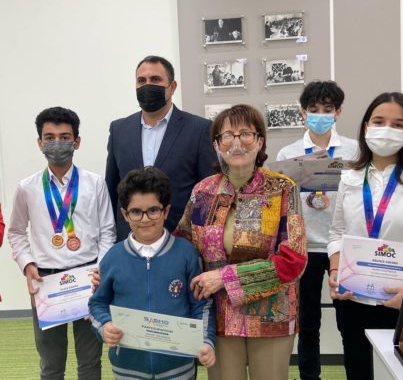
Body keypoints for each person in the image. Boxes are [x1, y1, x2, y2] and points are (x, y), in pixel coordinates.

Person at [175, 104, 308, 380]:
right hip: (218, 315)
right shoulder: (204, 191)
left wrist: (225, 277)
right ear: (216, 145)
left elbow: (293, 261)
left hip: (272, 315)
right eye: (227, 136)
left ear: (260, 142)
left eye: (246, 134)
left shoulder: (282, 188)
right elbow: (182, 245)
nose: (237, 143)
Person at [328, 92, 403, 380]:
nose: (386, 129)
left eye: (398, 124)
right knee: (359, 372)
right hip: (354, 301)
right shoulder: (350, 178)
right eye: (379, 121)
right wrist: (335, 271)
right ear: (366, 127)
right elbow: (337, 233)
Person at [8, 107, 116, 380]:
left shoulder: (95, 184)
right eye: (50, 137)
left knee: (90, 361)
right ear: (40, 143)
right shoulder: (26, 188)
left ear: (76, 142)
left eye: (65, 137)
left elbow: (108, 232)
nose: (57, 143)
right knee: (51, 363)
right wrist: (27, 265)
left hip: (88, 279)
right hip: (45, 281)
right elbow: (16, 232)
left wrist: (101, 270)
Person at [89, 167, 215, 380]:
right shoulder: (113, 257)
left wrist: (206, 341)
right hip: (127, 369)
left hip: (178, 369)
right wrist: (104, 326)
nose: (145, 219)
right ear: (124, 214)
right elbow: (97, 304)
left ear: (166, 211)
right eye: (136, 212)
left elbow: (201, 305)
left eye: (153, 210)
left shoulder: (186, 254)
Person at [277, 80, 358, 380]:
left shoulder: (353, 150)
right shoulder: (289, 153)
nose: (320, 115)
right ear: (303, 112)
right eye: (313, 109)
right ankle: (310, 377)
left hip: (344, 247)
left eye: (327, 109)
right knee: (308, 323)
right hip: (305, 247)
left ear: (338, 112)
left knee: (348, 322)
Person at [106, 55, 216, 241]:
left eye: (155, 79)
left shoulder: (199, 129)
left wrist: (198, 237)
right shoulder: (119, 129)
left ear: (172, 87)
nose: (147, 85)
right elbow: (111, 189)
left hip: (180, 240)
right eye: (142, 81)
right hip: (129, 242)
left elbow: (208, 191)